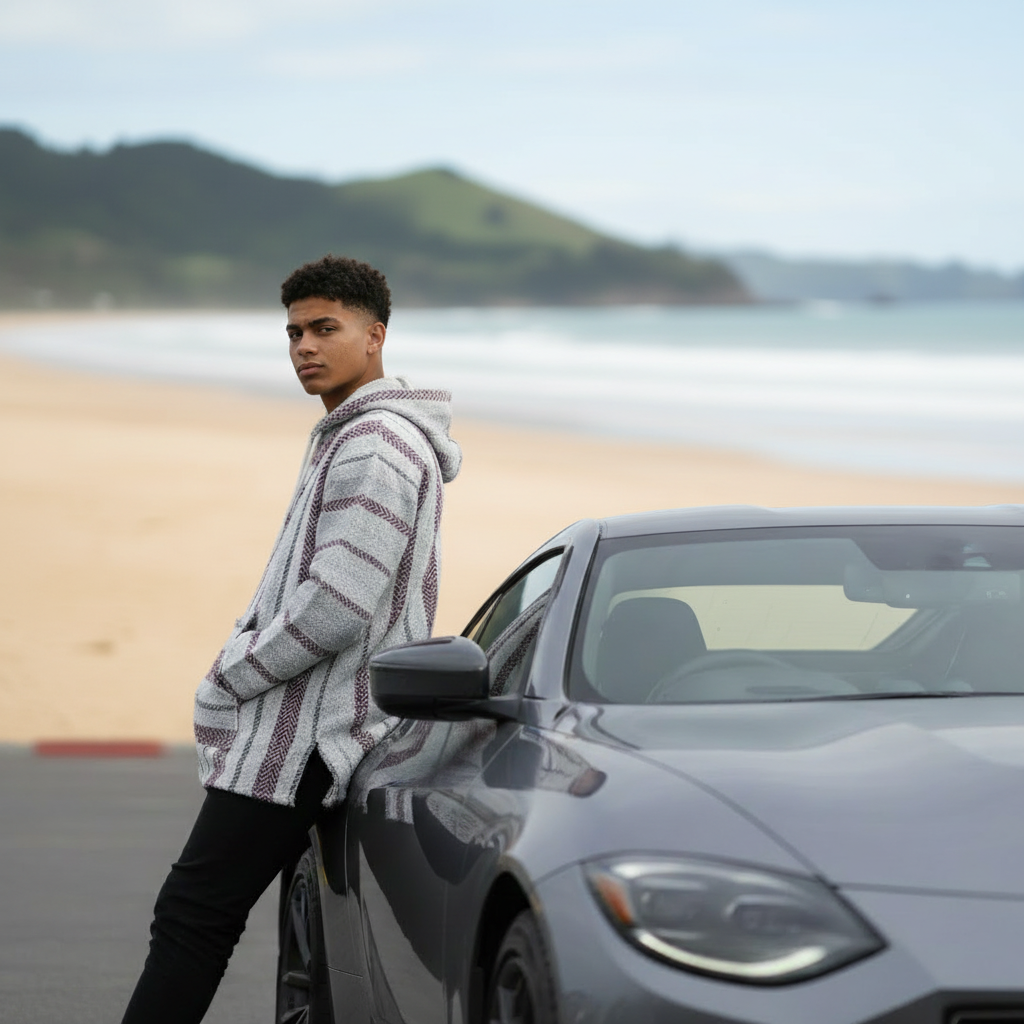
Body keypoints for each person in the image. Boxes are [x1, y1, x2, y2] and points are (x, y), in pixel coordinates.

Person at [121, 254, 462, 1024]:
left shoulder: (376, 444)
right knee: (302, 922)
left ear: (374, 337)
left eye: (324, 329)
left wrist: (231, 672)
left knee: (193, 914)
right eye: (294, 332)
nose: (304, 346)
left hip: (305, 735)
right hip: (321, 724)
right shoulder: (352, 434)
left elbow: (337, 606)